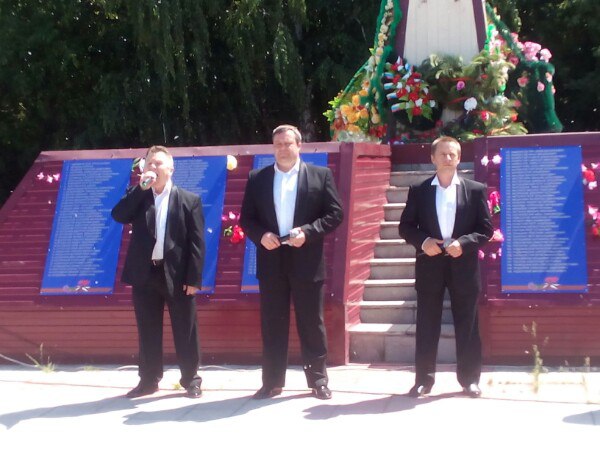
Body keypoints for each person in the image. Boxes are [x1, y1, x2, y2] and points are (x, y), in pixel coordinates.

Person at [240, 125, 344, 400]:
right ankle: (272, 382)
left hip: (306, 259)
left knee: (311, 323)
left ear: (299, 145)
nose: (283, 149)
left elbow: (335, 214)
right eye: (278, 145)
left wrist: (308, 232)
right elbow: (246, 218)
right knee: (273, 323)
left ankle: (318, 380)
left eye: (288, 144)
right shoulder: (258, 178)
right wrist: (261, 235)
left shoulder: (320, 175)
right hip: (271, 260)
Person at [399, 136, 493, 398]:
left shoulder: (474, 190)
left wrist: (464, 243)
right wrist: (424, 241)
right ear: (432, 158)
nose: (448, 158)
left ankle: (470, 380)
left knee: (468, 324)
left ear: (459, 158)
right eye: (443, 154)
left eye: (453, 154)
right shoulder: (419, 190)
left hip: (463, 265)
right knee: (427, 324)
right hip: (430, 265)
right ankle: (423, 381)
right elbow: (405, 227)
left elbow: (485, 229)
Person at [111, 145, 205, 399]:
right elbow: (118, 215)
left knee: (185, 328)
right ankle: (149, 379)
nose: (153, 167)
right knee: (148, 329)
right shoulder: (139, 196)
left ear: (170, 168)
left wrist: (194, 278)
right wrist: (140, 189)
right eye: (150, 163)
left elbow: (197, 243)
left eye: (158, 163)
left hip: (177, 274)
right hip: (145, 273)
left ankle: (191, 379)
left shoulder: (189, 200)